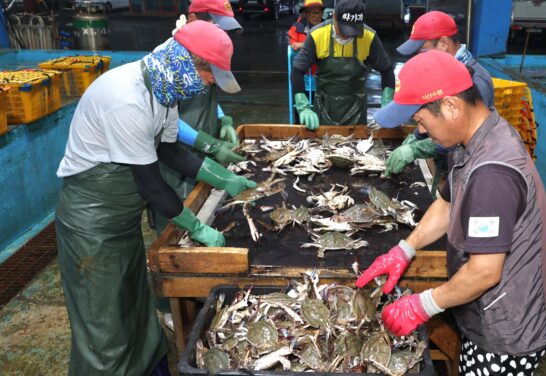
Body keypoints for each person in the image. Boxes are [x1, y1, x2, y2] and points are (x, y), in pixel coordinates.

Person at [55, 21, 256, 375]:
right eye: (211, 76)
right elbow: (150, 184)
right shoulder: (127, 99)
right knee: (104, 327)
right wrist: (197, 227)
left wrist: (221, 175)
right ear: (190, 62)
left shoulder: (164, 93)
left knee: (132, 309)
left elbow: (170, 152)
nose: (210, 84)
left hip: (120, 219)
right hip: (91, 225)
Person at [357, 50, 546, 375]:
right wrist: (404, 248)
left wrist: (423, 304)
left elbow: (484, 272)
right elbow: (448, 204)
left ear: (451, 106)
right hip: (484, 313)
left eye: (421, 120)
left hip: (505, 334)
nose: (420, 131)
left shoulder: (492, 172)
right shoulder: (471, 141)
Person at [154, 0, 246, 234]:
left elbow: (207, 95)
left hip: (202, 149)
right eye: (216, 24)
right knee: (176, 227)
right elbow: (167, 118)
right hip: (176, 155)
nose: (221, 32)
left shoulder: (207, 52)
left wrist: (223, 119)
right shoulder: (171, 60)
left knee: (209, 212)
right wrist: (209, 144)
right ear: (193, 20)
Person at [379, 11, 495, 179]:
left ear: (443, 43)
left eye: (423, 50)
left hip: (469, 171)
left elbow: (461, 134)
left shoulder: (476, 82)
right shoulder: (442, 74)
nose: (420, 57)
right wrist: (416, 137)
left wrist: (416, 149)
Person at [291, 0, 395, 129]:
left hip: (356, 110)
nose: (347, 35)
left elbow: (387, 69)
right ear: (334, 16)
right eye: (344, 28)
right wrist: (303, 106)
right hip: (325, 107)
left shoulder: (368, 36)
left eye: (353, 30)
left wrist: (387, 103)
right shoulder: (317, 35)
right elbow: (297, 71)